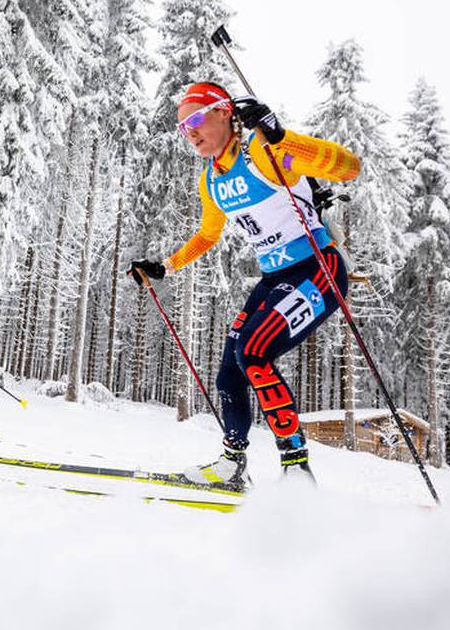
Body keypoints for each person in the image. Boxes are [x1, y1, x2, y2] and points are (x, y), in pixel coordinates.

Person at [130, 82, 361, 489]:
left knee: (254, 351)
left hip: (317, 269)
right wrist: (165, 266)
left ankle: (296, 472)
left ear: (224, 113)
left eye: (197, 120)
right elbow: (207, 235)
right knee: (229, 375)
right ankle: (232, 465)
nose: (191, 133)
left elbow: (348, 167)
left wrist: (280, 136)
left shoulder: (261, 153)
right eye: (184, 128)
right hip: (277, 277)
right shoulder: (212, 180)